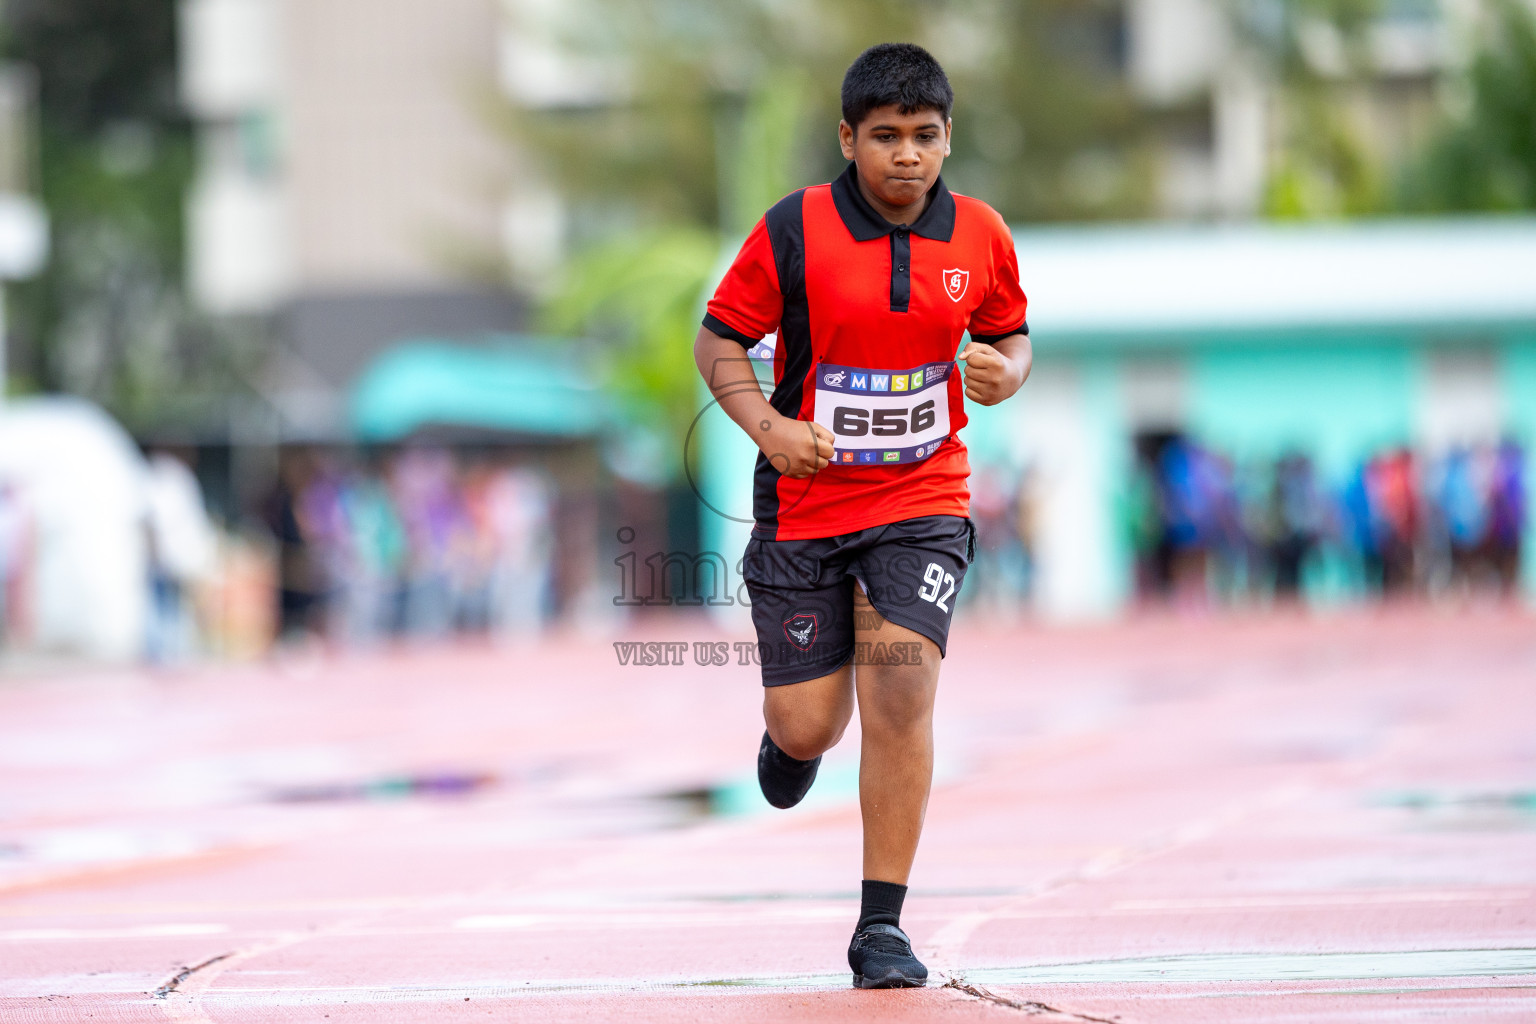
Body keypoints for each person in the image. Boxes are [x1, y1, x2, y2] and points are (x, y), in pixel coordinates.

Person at [693, 43, 1031, 989]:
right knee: (810, 725)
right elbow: (719, 339)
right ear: (849, 139)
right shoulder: (794, 230)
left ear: (948, 137)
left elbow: (1011, 335)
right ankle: (788, 740)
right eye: (885, 137)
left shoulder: (981, 235)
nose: (907, 157)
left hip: (922, 500)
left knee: (901, 687)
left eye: (925, 137)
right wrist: (769, 426)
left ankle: (880, 927)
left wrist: (1009, 371)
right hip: (804, 507)